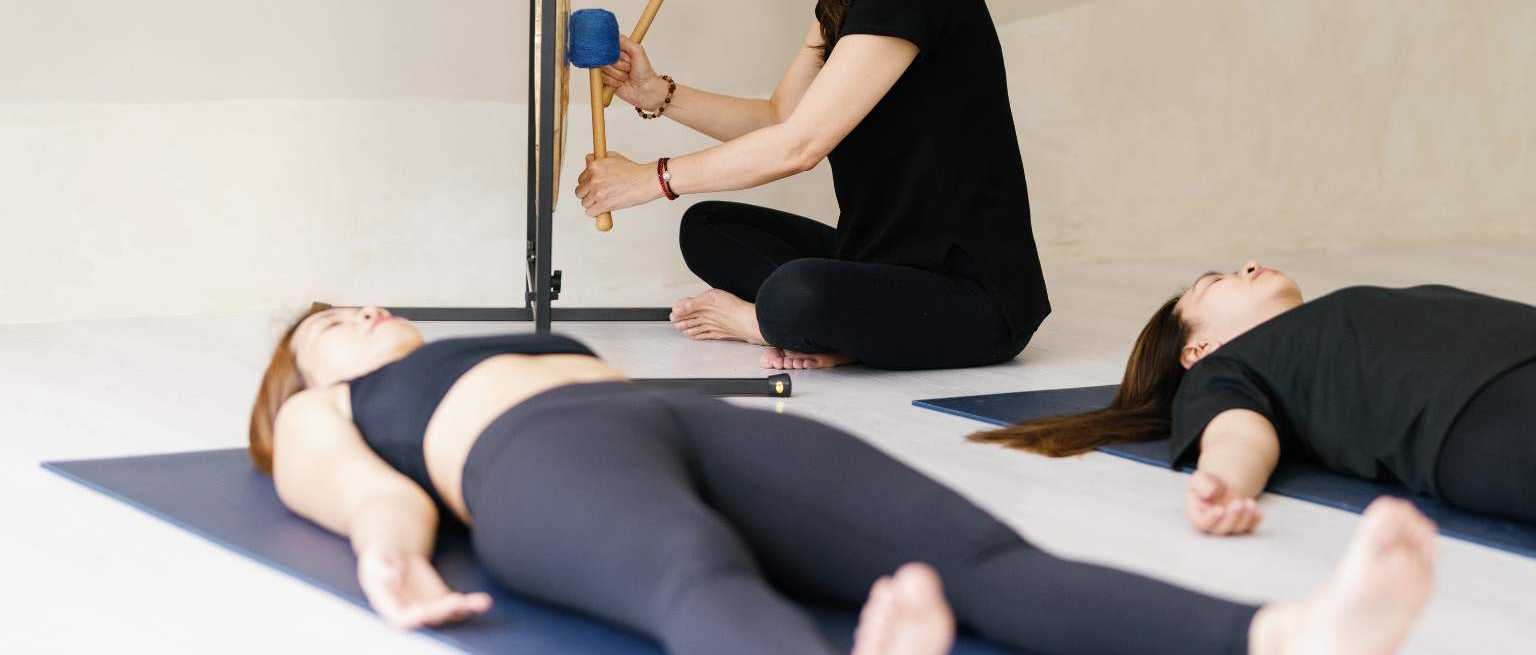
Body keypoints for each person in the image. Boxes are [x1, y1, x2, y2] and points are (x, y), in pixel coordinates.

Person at [251, 303, 1437, 655]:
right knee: (688, 573)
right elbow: (371, 497)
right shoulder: (327, 410)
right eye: (326, 326)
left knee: (981, 558)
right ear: (295, 377)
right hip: (534, 462)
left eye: (358, 300)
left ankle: (1289, 635)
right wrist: (390, 562)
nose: (356, 314)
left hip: (667, 418)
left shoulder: (516, 341)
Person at [573, 0, 1049, 373]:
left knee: (795, 295)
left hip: (971, 299)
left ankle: (767, 322)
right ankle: (827, 326)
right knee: (709, 228)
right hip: (878, 263)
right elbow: (781, 116)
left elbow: (799, 146)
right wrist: (656, 92)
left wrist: (650, 178)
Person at [973, 261, 1536, 559]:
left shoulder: (1341, 312)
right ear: (1197, 348)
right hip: (1478, 413)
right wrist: (1224, 481)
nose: (1248, 264)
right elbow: (1238, 432)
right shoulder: (1226, 370)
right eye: (1217, 280)